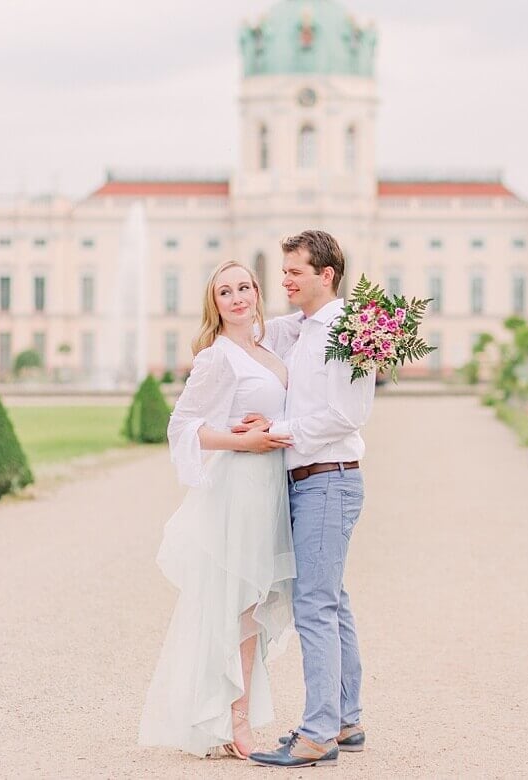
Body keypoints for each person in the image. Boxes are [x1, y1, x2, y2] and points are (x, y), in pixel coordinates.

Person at [138, 261, 301, 760]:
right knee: (240, 603)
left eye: (244, 287)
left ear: (257, 292)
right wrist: (241, 439)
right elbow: (183, 426)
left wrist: (271, 425)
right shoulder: (218, 357)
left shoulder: (269, 349)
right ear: (215, 303)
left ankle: (237, 713)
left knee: (253, 602)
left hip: (272, 483)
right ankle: (233, 718)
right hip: (241, 486)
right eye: (225, 291)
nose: (237, 297)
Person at [245, 231, 376, 769]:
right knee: (331, 599)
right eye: (283, 271)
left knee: (315, 605)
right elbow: (244, 329)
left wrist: (277, 429)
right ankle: (344, 718)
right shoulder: (297, 329)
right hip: (311, 479)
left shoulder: (348, 331)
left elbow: (347, 415)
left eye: (295, 271)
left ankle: (319, 730)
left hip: (328, 478)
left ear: (327, 275)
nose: (285, 280)